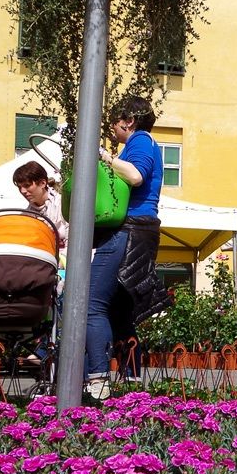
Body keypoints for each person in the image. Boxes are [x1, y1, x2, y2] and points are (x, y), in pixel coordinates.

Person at [84, 97, 169, 399]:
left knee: (91, 304)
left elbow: (134, 175)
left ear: (129, 121)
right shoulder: (139, 144)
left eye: (114, 123)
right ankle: (130, 384)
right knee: (119, 310)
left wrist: (104, 156)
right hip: (137, 230)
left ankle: (97, 381)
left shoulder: (141, 141)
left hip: (130, 230)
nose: (112, 129)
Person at [13, 160, 68, 250]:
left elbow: (73, 242)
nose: (23, 191)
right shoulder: (25, 216)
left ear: (43, 183)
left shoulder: (63, 206)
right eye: (20, 187)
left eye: (27, 185)